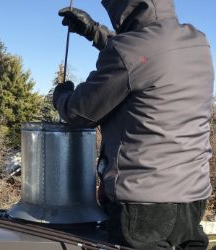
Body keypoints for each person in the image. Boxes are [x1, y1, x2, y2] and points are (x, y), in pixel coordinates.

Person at [54, 0, 214, 249]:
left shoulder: (129, 51)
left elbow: (80, 112)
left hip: (143, 206)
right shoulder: (198, 42)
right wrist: (94, 31)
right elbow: (145, 58)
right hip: (193, 198)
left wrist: (62, 96)